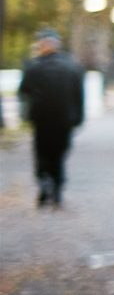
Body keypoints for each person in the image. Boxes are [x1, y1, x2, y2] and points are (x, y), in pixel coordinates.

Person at [19, 28, 87, 209]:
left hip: (41, 119)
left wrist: (26, 116)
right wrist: (79, 118)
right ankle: (56, 187)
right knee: (59, 153)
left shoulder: (33, 67)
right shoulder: (72, 67)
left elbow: (23, 92)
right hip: (64, 120)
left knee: (42, 153)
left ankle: (45, 181)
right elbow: (79, 95)